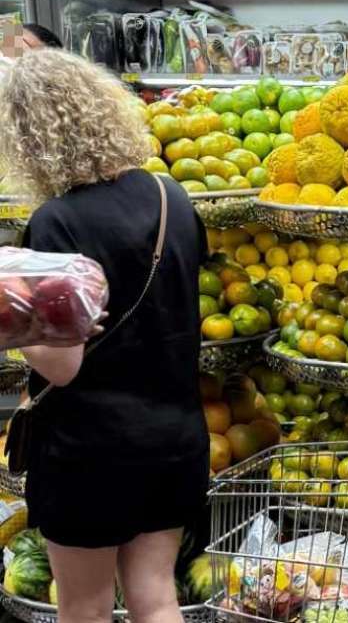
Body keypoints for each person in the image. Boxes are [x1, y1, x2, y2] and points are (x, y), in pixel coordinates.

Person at [0, 48, 208, 623]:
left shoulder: (56, 222)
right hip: (174, 435)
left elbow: (63, 367)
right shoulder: (173, 198)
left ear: (28, 137)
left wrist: (9, 325)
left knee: (85, 609)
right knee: (157, 597)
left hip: (89, 450)